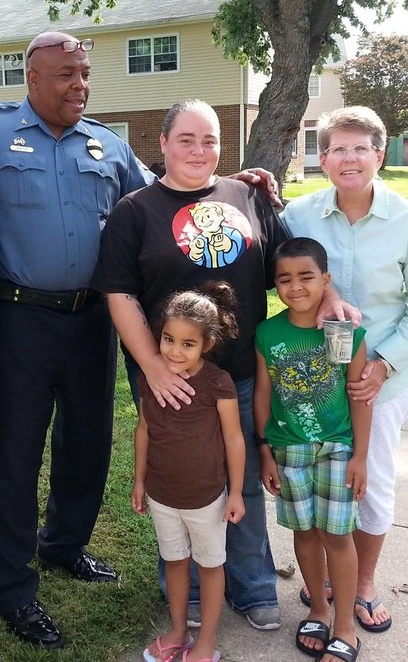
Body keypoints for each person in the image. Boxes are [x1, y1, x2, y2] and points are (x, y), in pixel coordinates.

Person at [0, 31, 152, 648]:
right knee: (16, 454)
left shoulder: (108, 145)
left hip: (94, 319)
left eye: (85, 74)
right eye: (66, 74)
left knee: (88, 442)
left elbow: (159, 201)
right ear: (33, 78)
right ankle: (12, 584)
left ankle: (65, 545)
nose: (80, 85)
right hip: (19, 321)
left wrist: (234, 185)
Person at [92, 99, 289, 630]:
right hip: (169, 380)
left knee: (240, 478)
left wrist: (330, 296)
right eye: (186, 139)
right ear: (162, 143)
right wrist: (154, 366)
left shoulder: (248, 196)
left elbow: (286, 266)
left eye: (210, 140)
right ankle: (192, 594)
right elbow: (119, 294)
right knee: (176, 478)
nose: (199, 150)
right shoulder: (135, 211)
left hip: (239, 373)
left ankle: (252, 585)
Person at [281, 106, 408, 634]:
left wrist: (383, 362)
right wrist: (326, 288)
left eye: (360, 148)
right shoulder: (298, 216)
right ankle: (325, 577)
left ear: (380, 153)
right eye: (337, 149)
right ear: (322, 157)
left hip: (382, 382)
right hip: (314, 386)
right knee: (314, 484)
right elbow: (279, 269)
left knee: (367, 485)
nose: (348, 159)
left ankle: (365, 583)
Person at [254, 237, 370, 662]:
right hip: (289, 449)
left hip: (337, 447)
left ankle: (345, 626)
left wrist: (360, 456)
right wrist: (265, 449)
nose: (296, 287)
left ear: (326, 280)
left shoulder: (342, 332)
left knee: (337, 536)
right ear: (275, 286)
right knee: (304, 533)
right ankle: (318, 610)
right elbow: (262, 396)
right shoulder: (268, 333)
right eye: (285, 279)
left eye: (306, 276)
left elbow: (358, 394)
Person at [133, 282, 246, 662]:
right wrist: (139, 480)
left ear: (207, 344)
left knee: (210, 566)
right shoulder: (150, 376)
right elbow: (145, 429)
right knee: (175, 561)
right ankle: (179, 631)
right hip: (162, 496)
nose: (175, 351)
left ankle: (206, 642)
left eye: (187, 343)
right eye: (168, 339)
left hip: (206, 498)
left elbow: (233, 439)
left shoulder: (218, 384)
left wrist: (235, 493)